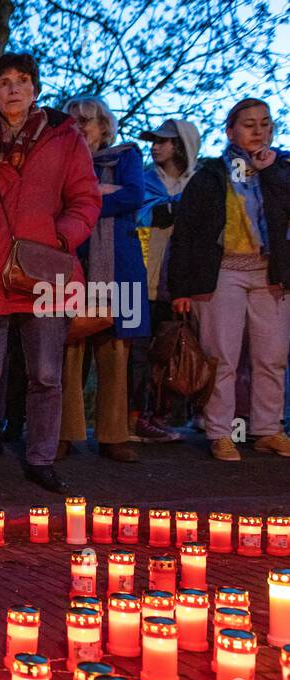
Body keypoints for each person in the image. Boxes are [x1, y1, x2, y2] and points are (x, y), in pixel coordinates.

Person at [0, 52, 101, 493]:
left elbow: (86, 200)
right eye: (4, 81)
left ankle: (41, 458)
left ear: (35, 90)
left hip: (45, 269)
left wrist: (60, 239)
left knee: (46, 374)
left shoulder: (65, 140)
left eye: (22, 80)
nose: (13, 88)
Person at [170, 97, 290, 461]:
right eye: (250, 123)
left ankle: (268, 429)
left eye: (266, 123)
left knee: (272, 356)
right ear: (230, 130)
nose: (259, 130)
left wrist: (267, 171)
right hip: (222, 273)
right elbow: (186, 233)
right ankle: (220, 431)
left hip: (269, 271)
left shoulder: (281, 169)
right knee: (221, 356)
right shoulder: (211, 175)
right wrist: (182, 289)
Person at [58, 96, 149, 464]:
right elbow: (57, 206)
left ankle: (112, 437)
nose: (80, 127)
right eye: (74, 120)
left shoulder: (127, 155)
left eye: (88, 120)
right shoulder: (60, 163)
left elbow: (134, 196)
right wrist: (101, 193)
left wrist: (86, 197)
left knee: (115, 353)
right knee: (68, 349)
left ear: (104, 126)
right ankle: (64, 433)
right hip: (72, 266)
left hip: (119, 266)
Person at [134, 118, 200, 443]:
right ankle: (135, 418)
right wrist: (171, 208)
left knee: (173, 352)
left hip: (179, 284)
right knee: (138, 353)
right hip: (142, 279)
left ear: (182, 145)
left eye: (164, 140)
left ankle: (161, 417)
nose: (155, 145)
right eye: (154, 140)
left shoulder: (200, 184)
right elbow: (139, 215)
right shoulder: (141, 179)